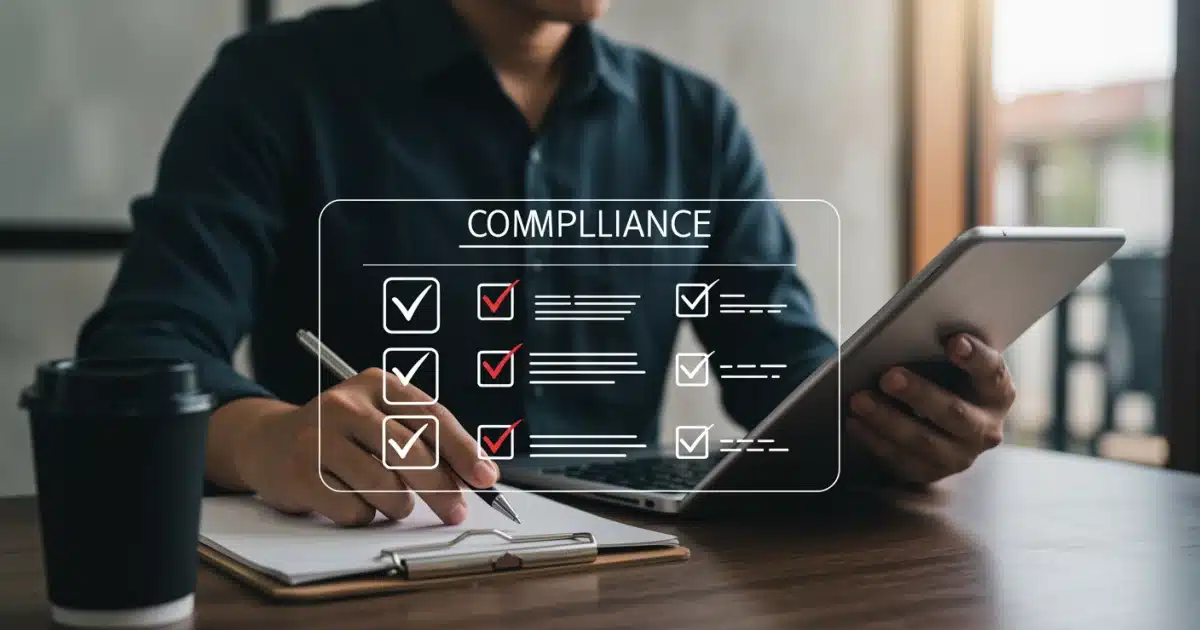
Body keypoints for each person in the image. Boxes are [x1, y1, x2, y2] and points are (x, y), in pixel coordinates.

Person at [77, 0, 1014, 527]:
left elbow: (778, 360)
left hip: (631, 575)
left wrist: (891, 417)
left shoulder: (694, 121)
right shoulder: (277, 83)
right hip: (371, 565)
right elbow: (141, 348)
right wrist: (266, 439)